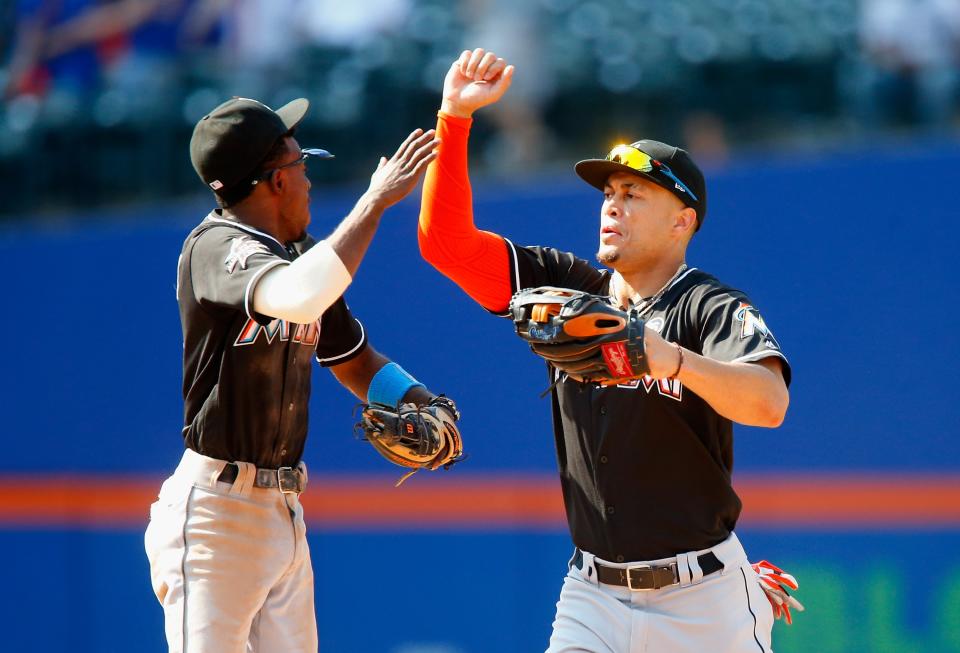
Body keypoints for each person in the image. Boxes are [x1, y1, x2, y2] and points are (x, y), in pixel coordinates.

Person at [418, 49, 792, 652]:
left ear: (682, 222)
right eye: (609, 191)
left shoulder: (707, 306)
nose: (612, 204)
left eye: (635, 192)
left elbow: (768, 402)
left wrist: (668, 357)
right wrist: (455, 116)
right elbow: (447, 246)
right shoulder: (568, 292)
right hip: (593, 594)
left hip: (703, 598)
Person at [145, 96, 452, 653]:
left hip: (282, 511)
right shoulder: (216, 247)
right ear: (274, 182)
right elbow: (299, 295)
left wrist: (416, 397)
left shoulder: (296, 253)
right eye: (302, 162)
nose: (309, 179)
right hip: (216, 514)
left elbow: (354, 360)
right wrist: (375, 201)